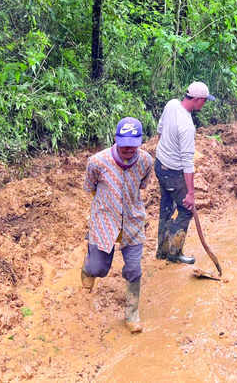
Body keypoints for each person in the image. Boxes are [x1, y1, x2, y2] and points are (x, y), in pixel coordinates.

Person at [81, 117, 154, 333]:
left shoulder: (146, 161)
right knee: (99, 268)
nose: (129, 149)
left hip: (132, 222)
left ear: (140, 142)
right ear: (115, 139)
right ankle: (88, 267)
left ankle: (131, 313)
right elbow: (90, 187)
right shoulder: (97, 162)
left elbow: (142, 185)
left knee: (134, 269)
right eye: (124, 144)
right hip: (105, 222)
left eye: (134, 144)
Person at [155, 81, 216, 265]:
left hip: (160, 166)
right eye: (204, 101)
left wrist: (165, 153)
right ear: (196, 100)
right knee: (185, 210)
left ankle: (161, 251)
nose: (204, 104)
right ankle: (174, 253)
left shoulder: (171, 104)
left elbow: (160, 131)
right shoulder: (187, 127)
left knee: (166, 207)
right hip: (173, 172)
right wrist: (190, 193)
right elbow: (187, 163)